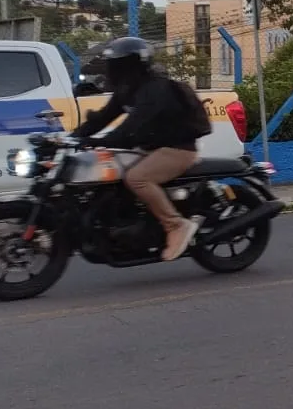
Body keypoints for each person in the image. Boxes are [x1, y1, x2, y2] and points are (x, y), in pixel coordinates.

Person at [73, 37, 212, 261]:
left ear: (134, 65)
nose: (113, 69)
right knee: (110, 174)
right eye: (113, 64)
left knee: (137, 178)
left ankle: (176, 225)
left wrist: (102, 141)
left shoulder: (157, 89)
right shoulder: (126, 89)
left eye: (119, 64)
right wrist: (72, 138)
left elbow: (133, 125)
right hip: (148, 148)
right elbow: (102, 118)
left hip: (177, 149)